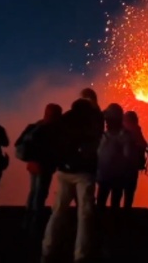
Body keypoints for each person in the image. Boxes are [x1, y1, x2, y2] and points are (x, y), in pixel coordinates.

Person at [41, 97, 103, 263]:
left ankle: (47, 250)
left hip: (64, 171)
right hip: (84, 173)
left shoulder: (65, 120)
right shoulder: (91, 122)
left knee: (58, 211)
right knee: (84, 215)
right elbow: (96, 143)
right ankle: (81, 255)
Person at [18, 103, 63, 233]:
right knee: (39, 194)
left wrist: (31, 161)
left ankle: (27, 222)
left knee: (34, 192)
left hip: (35, 165)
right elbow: (51, 149)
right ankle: (35, 225)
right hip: (43, 166)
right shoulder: (49, 129)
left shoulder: (37, 126)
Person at [96, 104, 137, 211]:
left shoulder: (122, 137)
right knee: (109, 204)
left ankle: (108, 225)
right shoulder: (117, 135)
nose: (106, 122)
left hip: (112, 177)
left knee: (108, 204)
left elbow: (127, 158)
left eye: (108, 119)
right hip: (109, 177)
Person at [122, 111, 147, 209]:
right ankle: (126, 212)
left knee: (118, 190)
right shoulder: (136, 129)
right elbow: (144, 144)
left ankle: (115, 214)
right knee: (130, 191)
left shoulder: (120, 130)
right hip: (132, 166)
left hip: (120, 166)